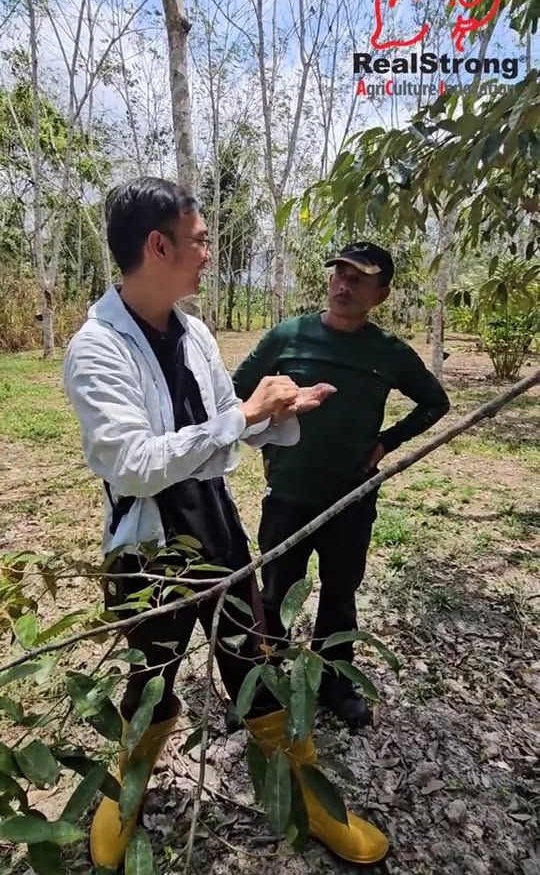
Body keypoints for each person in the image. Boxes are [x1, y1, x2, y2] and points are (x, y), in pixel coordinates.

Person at [64, 181, 388, 869]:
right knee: (150, 672)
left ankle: (310, 799)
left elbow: (220, 432)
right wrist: (242, 415)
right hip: (148, 546)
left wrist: (275, 414)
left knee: (257, 660)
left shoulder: (195, 332)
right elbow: (133, 465)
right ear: (159, 246)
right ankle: (128, 786)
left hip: (214, 525)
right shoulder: (96, 349)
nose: (209, 254)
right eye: (201, 240)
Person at [234, 241, 450, 730]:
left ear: (381, 294)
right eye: (339, 274)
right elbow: (235, 392)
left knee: (340, 594)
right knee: (274, 593)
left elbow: (435, 403)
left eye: (358, 279)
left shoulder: (388, 352)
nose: (343, 285)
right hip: (289, 493)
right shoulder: (289, 337)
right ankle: (264, 684)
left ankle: (334, 683)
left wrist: (387, 442)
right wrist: (266, 422)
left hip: (351, 497)